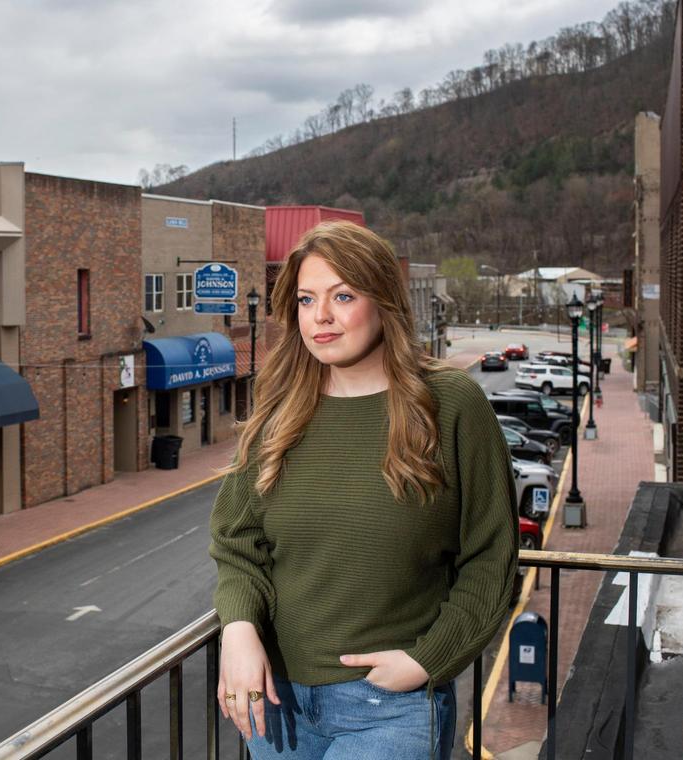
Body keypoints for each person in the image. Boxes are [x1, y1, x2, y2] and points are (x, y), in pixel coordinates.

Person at [209, 221, 518, 759]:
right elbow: (239, 544)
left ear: (384, 303)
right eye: (307, 299)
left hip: (388, 708)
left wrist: (427, 661)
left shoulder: (450, 405)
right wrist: (237, 629)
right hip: (276, 706)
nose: (320, 316)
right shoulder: (280, 411)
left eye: (343, 296)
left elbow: (491, 555)